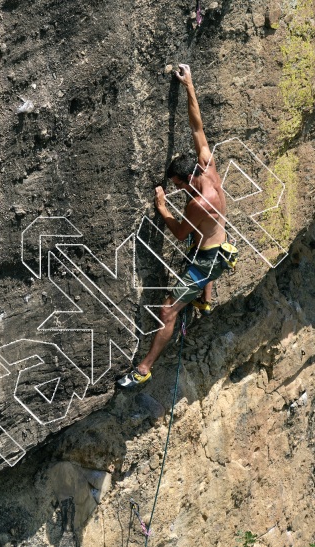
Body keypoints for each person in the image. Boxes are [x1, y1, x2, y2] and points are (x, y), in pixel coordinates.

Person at [117, 63, 228, 389]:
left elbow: (180, 233)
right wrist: (188, 84)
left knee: (168, 311)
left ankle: (144, 368)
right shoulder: (206, 163)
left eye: (178, 185)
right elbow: (197, 127)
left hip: (208, 259)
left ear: (186, 179)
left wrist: (163, 207)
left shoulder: (198, 202)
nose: (178, 189)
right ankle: (204, 301)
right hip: (214, 241)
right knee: (202, 238)